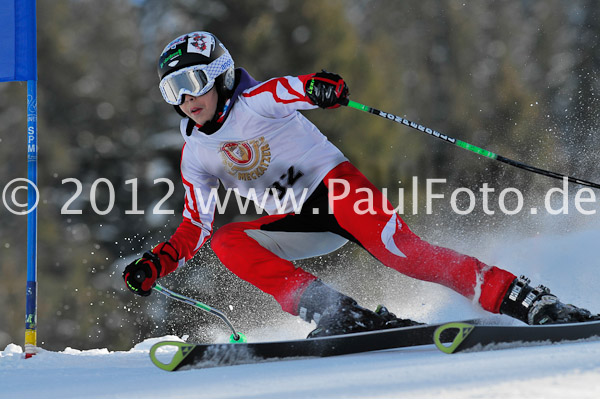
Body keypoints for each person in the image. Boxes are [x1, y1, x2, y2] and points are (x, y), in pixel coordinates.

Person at [123, 31, 598, 337]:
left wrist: (318, 87)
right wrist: (157, 264)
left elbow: (291, 87)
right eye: (171, 89)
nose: (185, 98)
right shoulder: (197, 155)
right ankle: (334, 312)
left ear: (221, 74)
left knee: (407, 255)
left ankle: (525, 300)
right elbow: (194, 226)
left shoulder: (254, 101)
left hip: (339, 191)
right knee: (229, 240)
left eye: (192, 80)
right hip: (297, 221)